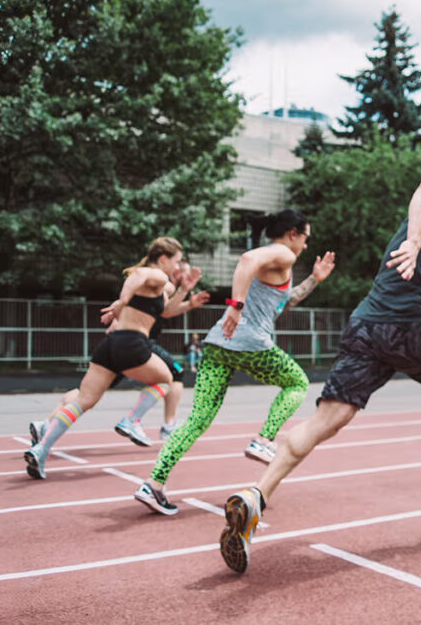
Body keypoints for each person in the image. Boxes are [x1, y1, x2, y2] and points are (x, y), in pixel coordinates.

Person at [218, 157, 421, 574]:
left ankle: (256, 496)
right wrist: (417, 242)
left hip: (366, 325)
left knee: (327, 419)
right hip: (406, 325)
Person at [133, 209, 335, 515]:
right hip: (250, 343)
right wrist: (236, 305)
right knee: (298, 382)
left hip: (218, 345)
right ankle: (263, 439)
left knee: (198, 419)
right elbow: (245, 261)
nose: (306, 246)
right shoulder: (281, 252)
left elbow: (282, 302)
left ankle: (153, 484)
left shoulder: (278, 262)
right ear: (293, 233)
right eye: (306, 237)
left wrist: (315, 280)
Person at [23, 237, 184, 479]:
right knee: (166, 379)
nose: (178, 267)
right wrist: (121, 301)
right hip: (132, 342)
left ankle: (41, 448)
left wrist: (186, 291)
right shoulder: (155, 275)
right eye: (177, 262)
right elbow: (136, 277)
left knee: (84, 399)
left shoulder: (156, 287)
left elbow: (167, 309)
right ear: (163, 259)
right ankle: (132, 421)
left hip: (110, 345)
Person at [110, 262, 211, 446]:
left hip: (128, 341)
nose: (188, 278)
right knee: (174, 372)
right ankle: (153, 423)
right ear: (176, 271)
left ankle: (46, 427)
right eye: (186, 274)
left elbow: (164, 311)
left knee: (92, 392)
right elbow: (164, 311)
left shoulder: (160, 287)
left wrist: (189, 304)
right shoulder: (163, 284)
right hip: (138, 341)